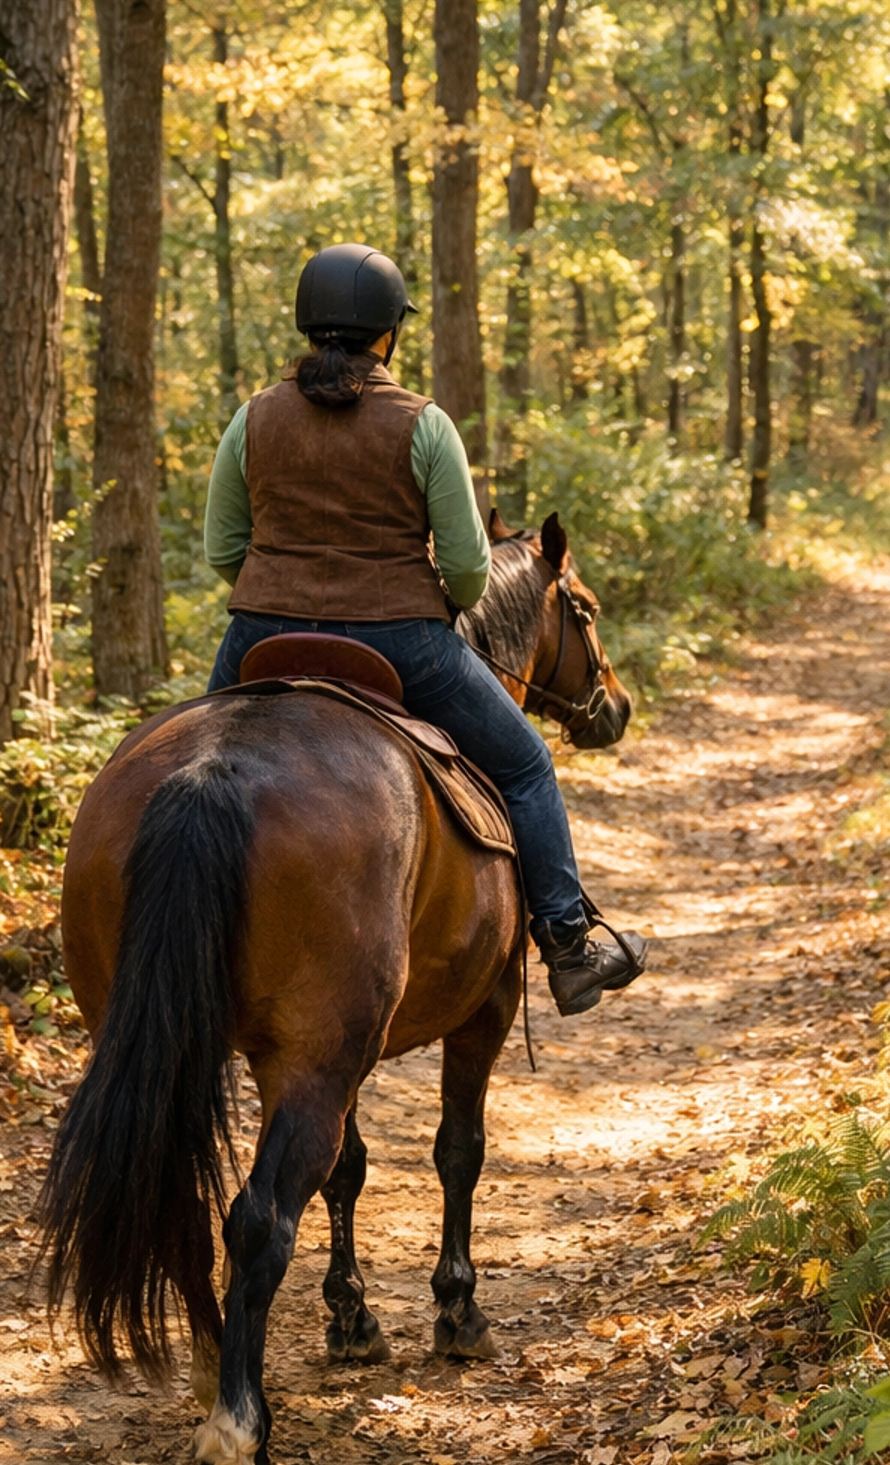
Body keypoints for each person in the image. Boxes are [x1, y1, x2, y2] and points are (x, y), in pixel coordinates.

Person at [203, 242, 648, 1019]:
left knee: (194, 769)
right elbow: (472, 570)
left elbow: (221, 550)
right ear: (388, 334)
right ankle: (570, 946)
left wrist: (280, 594)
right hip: (401, 641)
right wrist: (429, 600)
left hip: (261, 637)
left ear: (311, 327)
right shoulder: (424, 424)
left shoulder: (252, 419)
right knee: (526, 765)